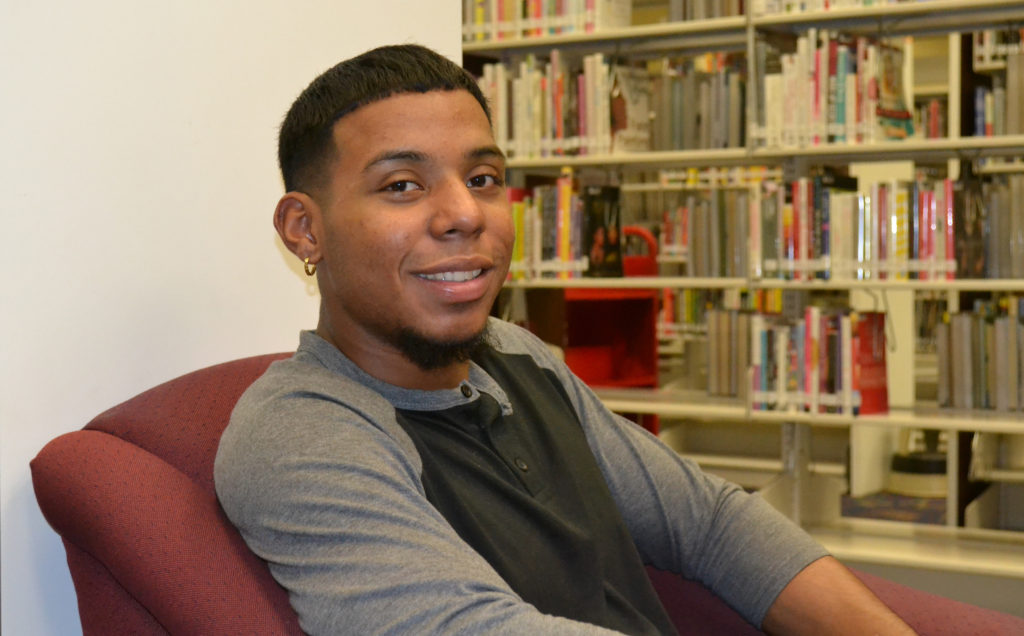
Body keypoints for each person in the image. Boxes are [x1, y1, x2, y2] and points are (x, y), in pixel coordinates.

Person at [214, 43, 915, 635]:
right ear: (304, 229)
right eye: (402, 185)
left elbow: (710, 527)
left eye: (483, 178)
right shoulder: (303, 434)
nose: (464, 213)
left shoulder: (517, 359)